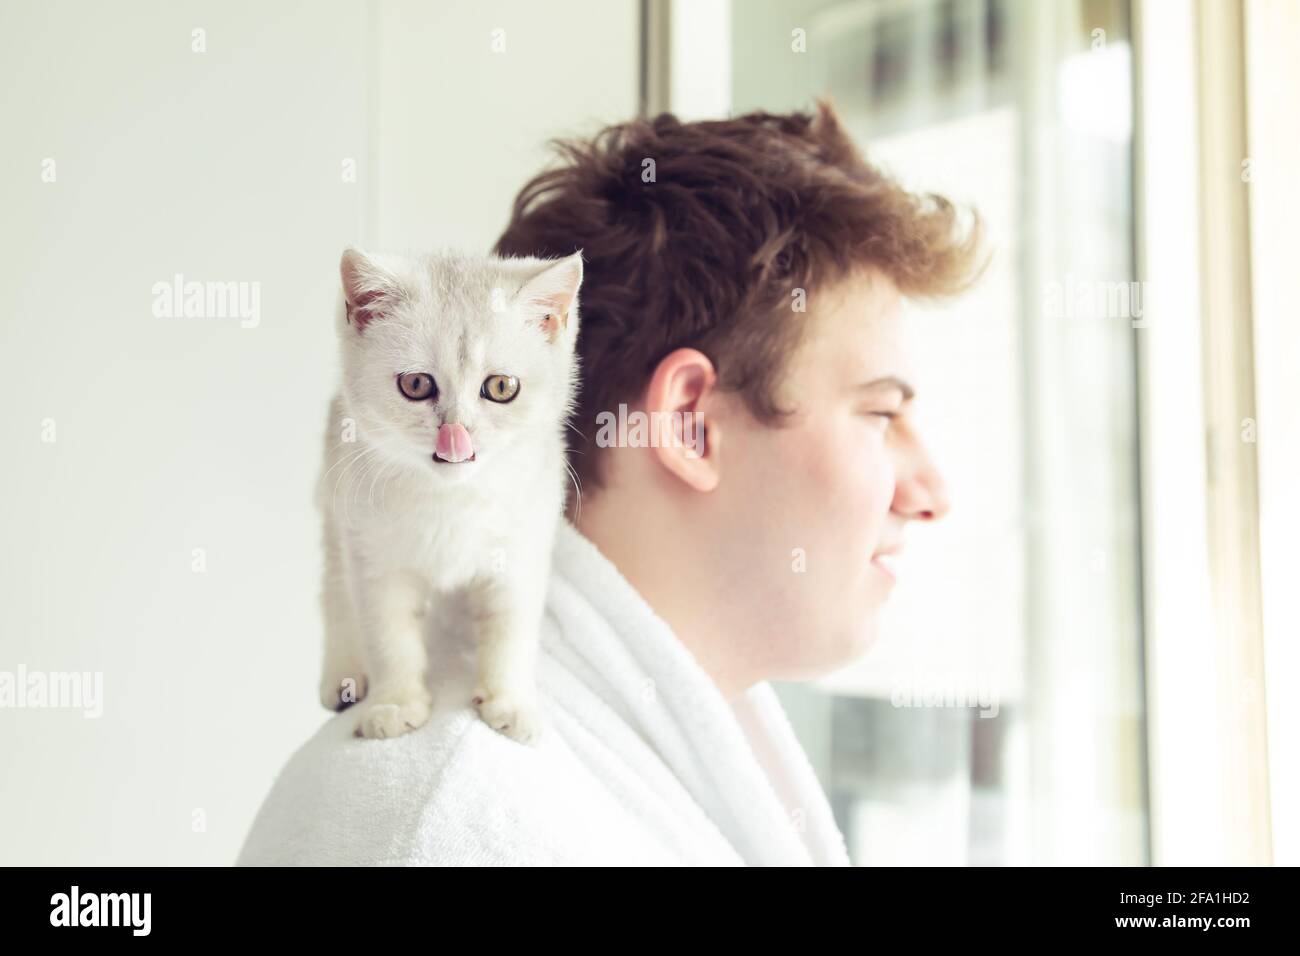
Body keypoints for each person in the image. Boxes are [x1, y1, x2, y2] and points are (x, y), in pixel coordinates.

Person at [236, 100, 982, 866]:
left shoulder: (636, 777)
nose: (932, 491)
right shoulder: (438, 830)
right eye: (882, 414)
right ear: (690, 424)